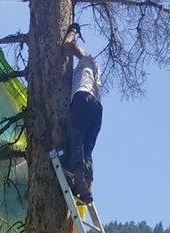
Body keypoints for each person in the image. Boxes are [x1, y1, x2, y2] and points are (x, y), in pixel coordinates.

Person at [62, 23, 102, 203]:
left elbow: (68, 44)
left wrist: (73, 31)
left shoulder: (88, 59)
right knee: (88, 149)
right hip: (97, 108)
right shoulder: (96, 71)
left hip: (83, 97)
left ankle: (78, 180)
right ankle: (88, 185)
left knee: (76, 141)